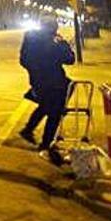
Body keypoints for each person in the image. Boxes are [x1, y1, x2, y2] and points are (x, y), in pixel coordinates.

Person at [18, 18, 75, 155]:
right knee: (54, 113)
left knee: (45, 106)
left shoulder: (30, 39)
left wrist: (33, 70)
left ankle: (27, 130)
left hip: (37, 80)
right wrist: (63, 44)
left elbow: (23, 60)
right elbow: (70, 59)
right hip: (54, 82)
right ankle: (46, 143)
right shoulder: (54, 42)